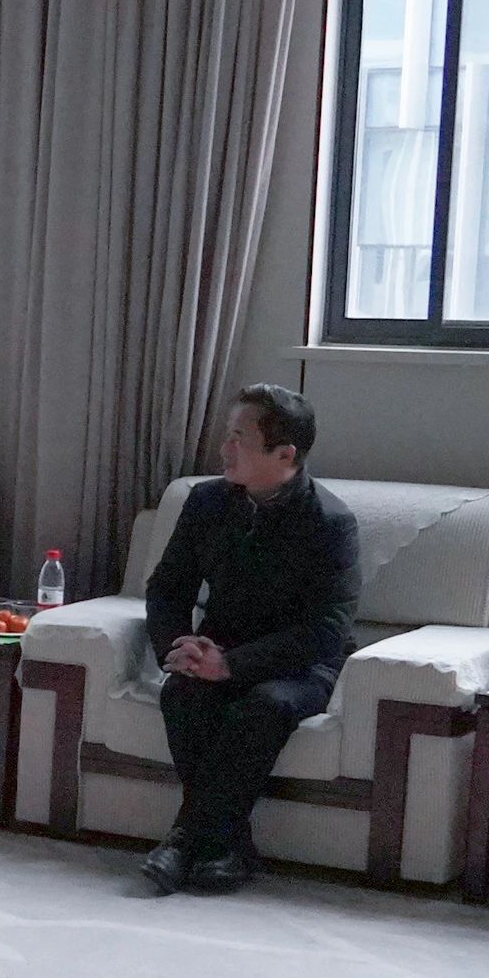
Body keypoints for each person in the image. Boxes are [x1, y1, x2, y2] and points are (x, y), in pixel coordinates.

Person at [139, 384, 361, 897]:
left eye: (240, 438)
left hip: (299, 665)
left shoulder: (330, 522)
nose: (225, 449)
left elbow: (327, 629)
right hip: (217, 649)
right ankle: (226, 846)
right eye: (228, 435)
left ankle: (184, 840)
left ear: (284, 455)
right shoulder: (207, 501)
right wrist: (179, 648)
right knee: (183, 693)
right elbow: (168, 587)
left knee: (262, 707)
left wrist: (232, 665)